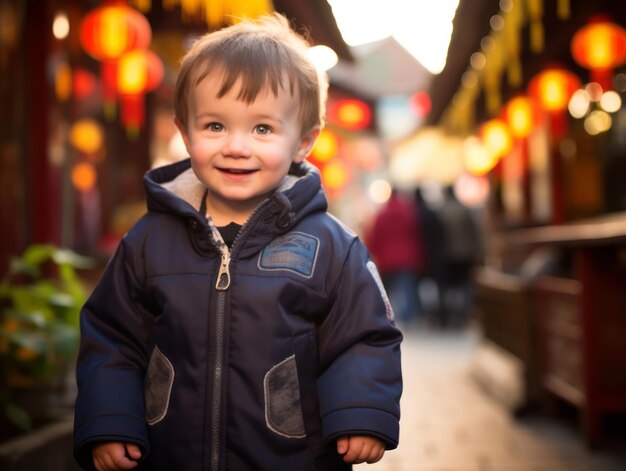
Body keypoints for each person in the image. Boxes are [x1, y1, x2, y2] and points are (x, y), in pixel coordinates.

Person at [73, 14, 402, 471]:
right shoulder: (149, 241)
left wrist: (361, 412)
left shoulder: (331, 246)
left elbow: (363, 337)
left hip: (292, 459)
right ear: (185, 133)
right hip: (170, 457)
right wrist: (110, 419)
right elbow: (113, 338)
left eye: (263, 129)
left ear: (304, 141)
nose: (236, 146)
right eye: (214, 126)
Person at [365, 189, 424, 329]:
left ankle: (387, 318)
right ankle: (408, 319)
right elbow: (418, 235)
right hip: (407, 258)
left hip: (386, 259)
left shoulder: (382, 214)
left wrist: (373, 254)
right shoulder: (409, 213)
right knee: (407, 289)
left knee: (387, 291)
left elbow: (374, 237)